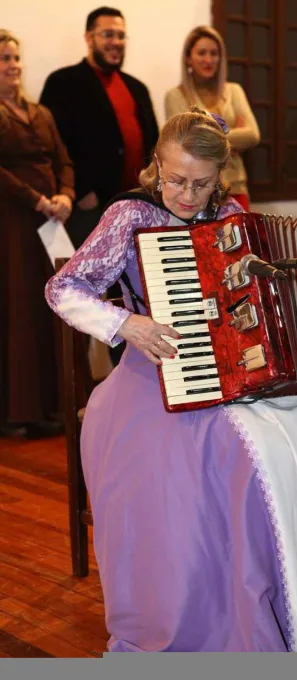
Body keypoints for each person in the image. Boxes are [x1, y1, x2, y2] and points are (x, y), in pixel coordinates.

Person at [45, 108, 297, 652]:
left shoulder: (231, 216)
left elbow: (278, 298)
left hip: (235, 374)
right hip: (151, 380)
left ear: (218, 178)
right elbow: (63, 290)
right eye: (175, 178)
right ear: (156, 163)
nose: (185, 194)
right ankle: (230, 614)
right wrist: (124, 322)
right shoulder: (129, 216)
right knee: (245, 454)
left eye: (200, 184)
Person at [0, 30, 75, 439]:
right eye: (4, 59)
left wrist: (65, 194)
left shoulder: (41, 112)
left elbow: (64, 160)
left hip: (51, 223)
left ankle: (54, 404)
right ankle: (20, 411)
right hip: (13, 224)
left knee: (52, 305)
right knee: (21, 311)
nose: (13, 65)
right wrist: (35, 199)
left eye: (15, 57)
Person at [40, 6, 159, 249]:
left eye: (121, 35)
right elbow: (50, 146)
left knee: (134, 283)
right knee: (89, 284)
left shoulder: (137, 88)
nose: (115, 42)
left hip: (137, 205)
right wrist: (81, 191)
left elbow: (155, 144)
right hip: (88, 209)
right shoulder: (63, 83)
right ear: (89, 37)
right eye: (107, 34)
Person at [165, 25, 259, 211]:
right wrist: (232, 137)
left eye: (214, 53)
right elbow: (183, 144)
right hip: (195, 192)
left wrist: (203, 134)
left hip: (236, 186)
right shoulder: (175, 96)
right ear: (188, 58)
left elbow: (253, 135)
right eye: (201, 53)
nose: (208, 60)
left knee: (243, 240)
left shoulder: (234, 91)